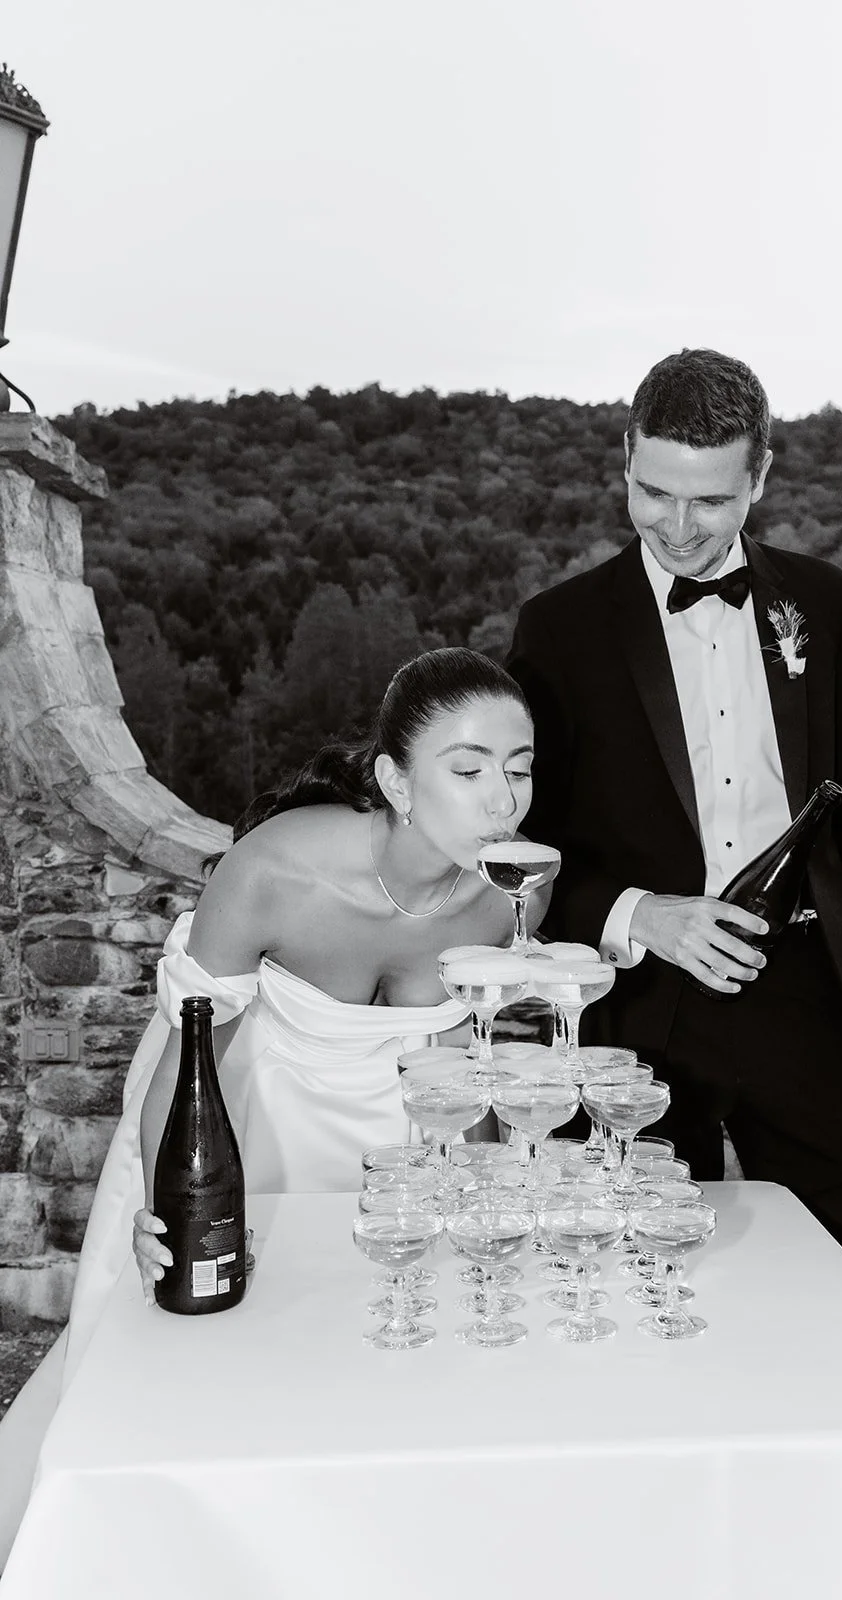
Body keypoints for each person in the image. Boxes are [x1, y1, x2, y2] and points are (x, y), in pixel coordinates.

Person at [0, 646, 545, 1566]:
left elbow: (461, 1064)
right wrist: (165, 1205)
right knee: (222, 1375)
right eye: (469, 770)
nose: (504, 798)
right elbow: (190, 1047)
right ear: (396, 783)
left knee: (405, 1372)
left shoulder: (513, 886)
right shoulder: (276, 869)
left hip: (403, 1148)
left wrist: (485, 1193)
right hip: (240, 1124)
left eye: (521, 768)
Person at [508, 347, 842, 1300]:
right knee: (642, 1288)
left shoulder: (822, 600)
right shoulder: (559, 629)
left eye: (710, 501)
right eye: (652, 493)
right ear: (625, 456)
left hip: (802, 994)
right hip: (634, 1012)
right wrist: (643, 915)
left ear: (760, 477)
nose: (677, 528)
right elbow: (525, 855)